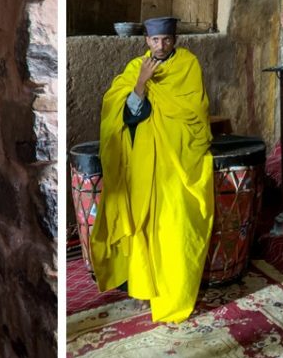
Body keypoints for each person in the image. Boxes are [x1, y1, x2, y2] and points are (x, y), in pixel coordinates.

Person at [90, 16, 213, 323]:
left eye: (167, 40)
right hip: (144, 166)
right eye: (155, 40)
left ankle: (175, 289)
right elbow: (120, 116)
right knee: (143, 229)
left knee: (173, 228)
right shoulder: (135, 69)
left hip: (176, 164)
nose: (161, 46)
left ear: (175, 40)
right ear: (146, 40)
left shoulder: (188, 65)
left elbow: (196, 113)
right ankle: (144, 290)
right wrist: (142, 83)